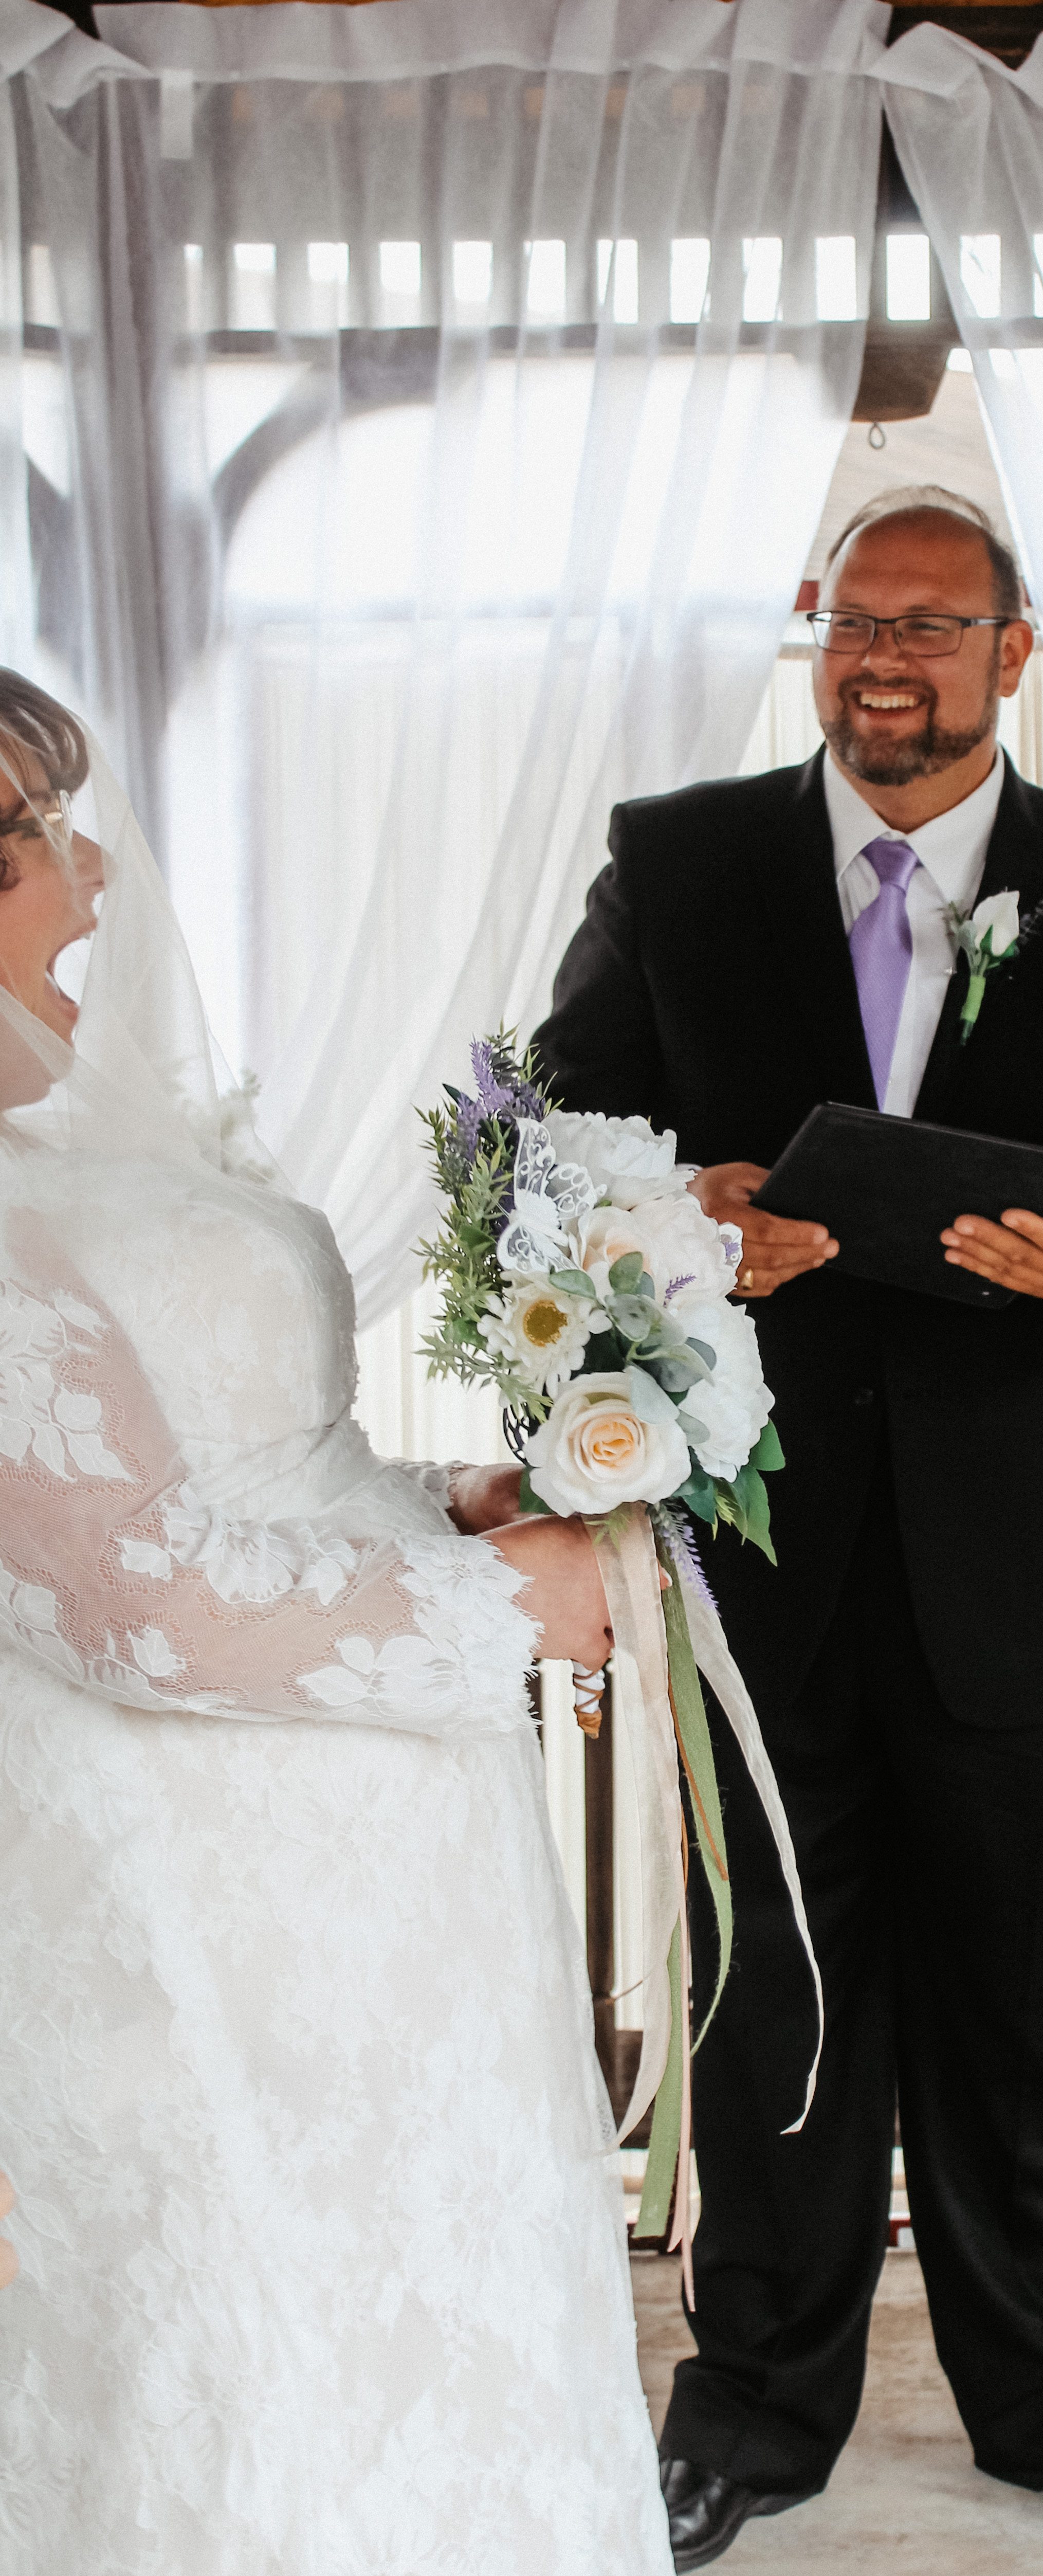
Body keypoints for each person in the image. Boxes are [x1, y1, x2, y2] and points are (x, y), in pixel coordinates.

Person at [534, 487, 1043, 2565]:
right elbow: (554, 1145)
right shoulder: (675, 865)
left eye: (933, 625)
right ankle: (751, 2411)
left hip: (1025, 1572)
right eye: (852, 621)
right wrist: (669, 1235)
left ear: (1012, 650)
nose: (887, 659)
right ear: (815, 639)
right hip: (756, 1568)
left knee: (1027, 2014)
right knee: (766, 2001)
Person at [0, 674, 674, 2572]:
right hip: (183, 1912)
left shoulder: (78, 1152)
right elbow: (125, 1596)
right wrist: (499, 1603)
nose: (90, 880)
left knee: (429, 2339)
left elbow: (244, 1469)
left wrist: (441, 1498)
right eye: (39, 840)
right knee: (254, 2356)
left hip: (379, 1917)